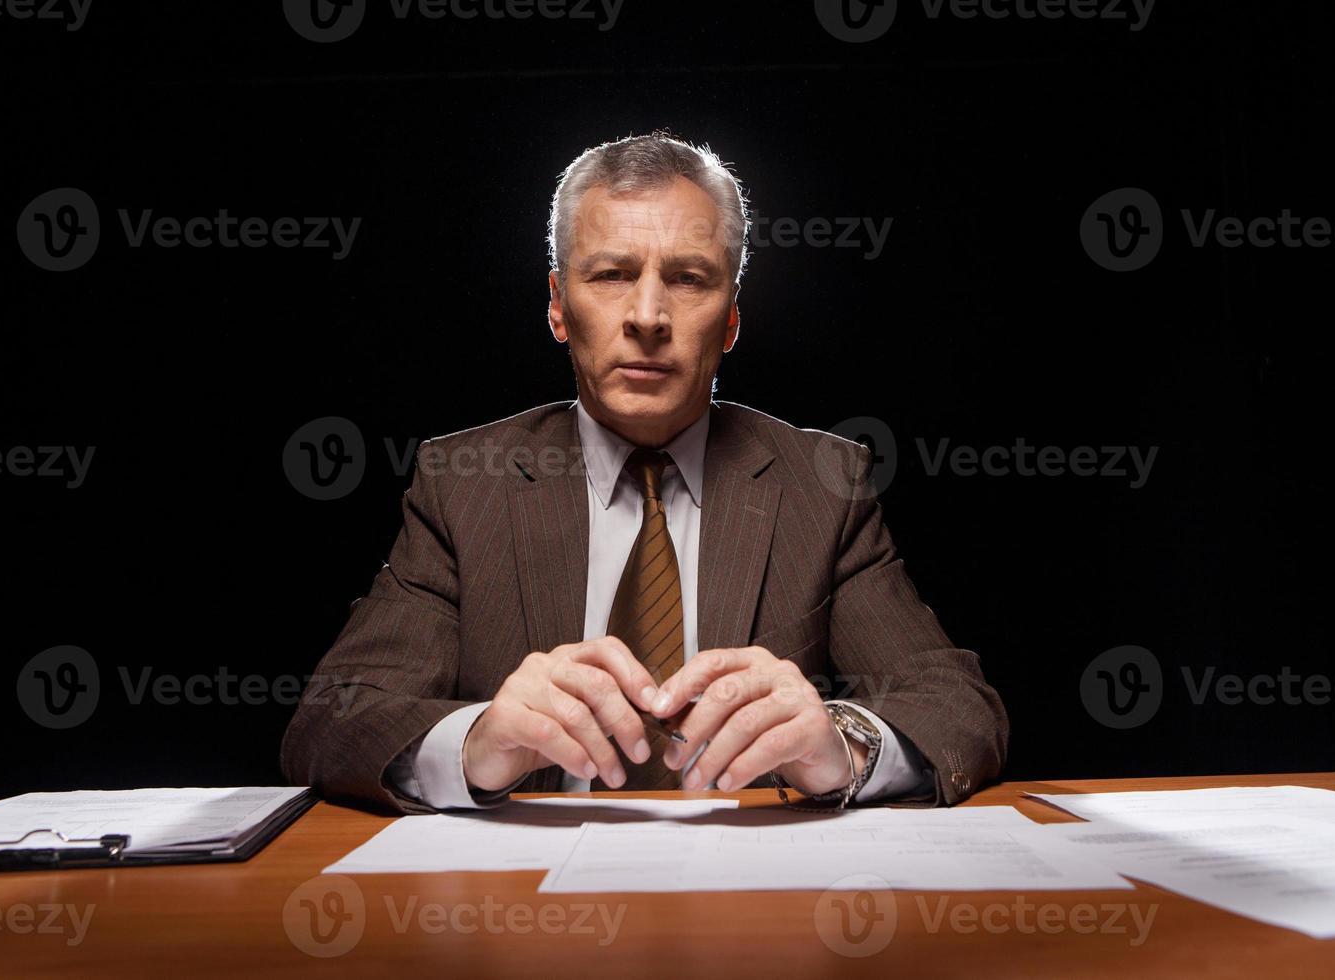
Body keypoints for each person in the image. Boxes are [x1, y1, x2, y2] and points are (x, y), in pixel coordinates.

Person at [282, 131, 1008, 812]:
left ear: (730, 321)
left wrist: (844, 742)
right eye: (612, 275)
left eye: (689, 279)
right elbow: (330, 720)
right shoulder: (463, 485)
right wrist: (475, 743)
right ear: (559, 306)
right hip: (523, 912)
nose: (649, 315)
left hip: (750, 901)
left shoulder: (822, 484)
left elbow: (957, 704)